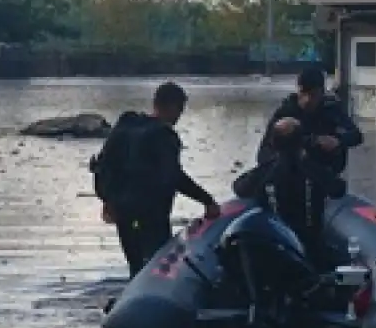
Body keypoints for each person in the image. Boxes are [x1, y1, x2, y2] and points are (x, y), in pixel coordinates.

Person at [89, 82, 220, 279]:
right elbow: (174, 176)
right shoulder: (164, 136)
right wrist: (207, 200)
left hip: (122, 211)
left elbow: (102, 165)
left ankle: (132, 301)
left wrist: (107, 199)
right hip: (150, 215)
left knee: (135, 265)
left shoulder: (126, 124)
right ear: (173, 107)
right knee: (156, 266)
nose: (179, 117)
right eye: (180, 110)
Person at [234, 117, 347, 266]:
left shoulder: (264, 172)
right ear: (302, 142)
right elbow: (339, 189)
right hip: (311, 248)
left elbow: (239, 187)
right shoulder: (314, 170)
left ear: (273, 144)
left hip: (272, 249)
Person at [257, 66, 363, 176]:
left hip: (324, 173)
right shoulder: (286, 112)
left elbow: (356, 135)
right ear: (298, 90)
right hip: (292, 175)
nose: (307, 100)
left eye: (313, 95)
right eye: (303, 93)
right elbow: (263, 154)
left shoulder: (331, 109)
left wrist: (338, 141)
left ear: (322, 93)